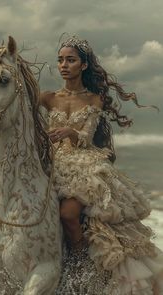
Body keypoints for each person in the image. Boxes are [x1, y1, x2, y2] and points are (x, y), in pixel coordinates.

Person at [39, 36, 163, 294]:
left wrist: (70, 133)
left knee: (68, 215)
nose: (63, 65)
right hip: (51, 162)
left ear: (83, 65)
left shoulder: (94, 100)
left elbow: (86, 138)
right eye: (60, 60)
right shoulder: (48, 97)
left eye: (70, 60)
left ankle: (78, 268)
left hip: (83, 165)